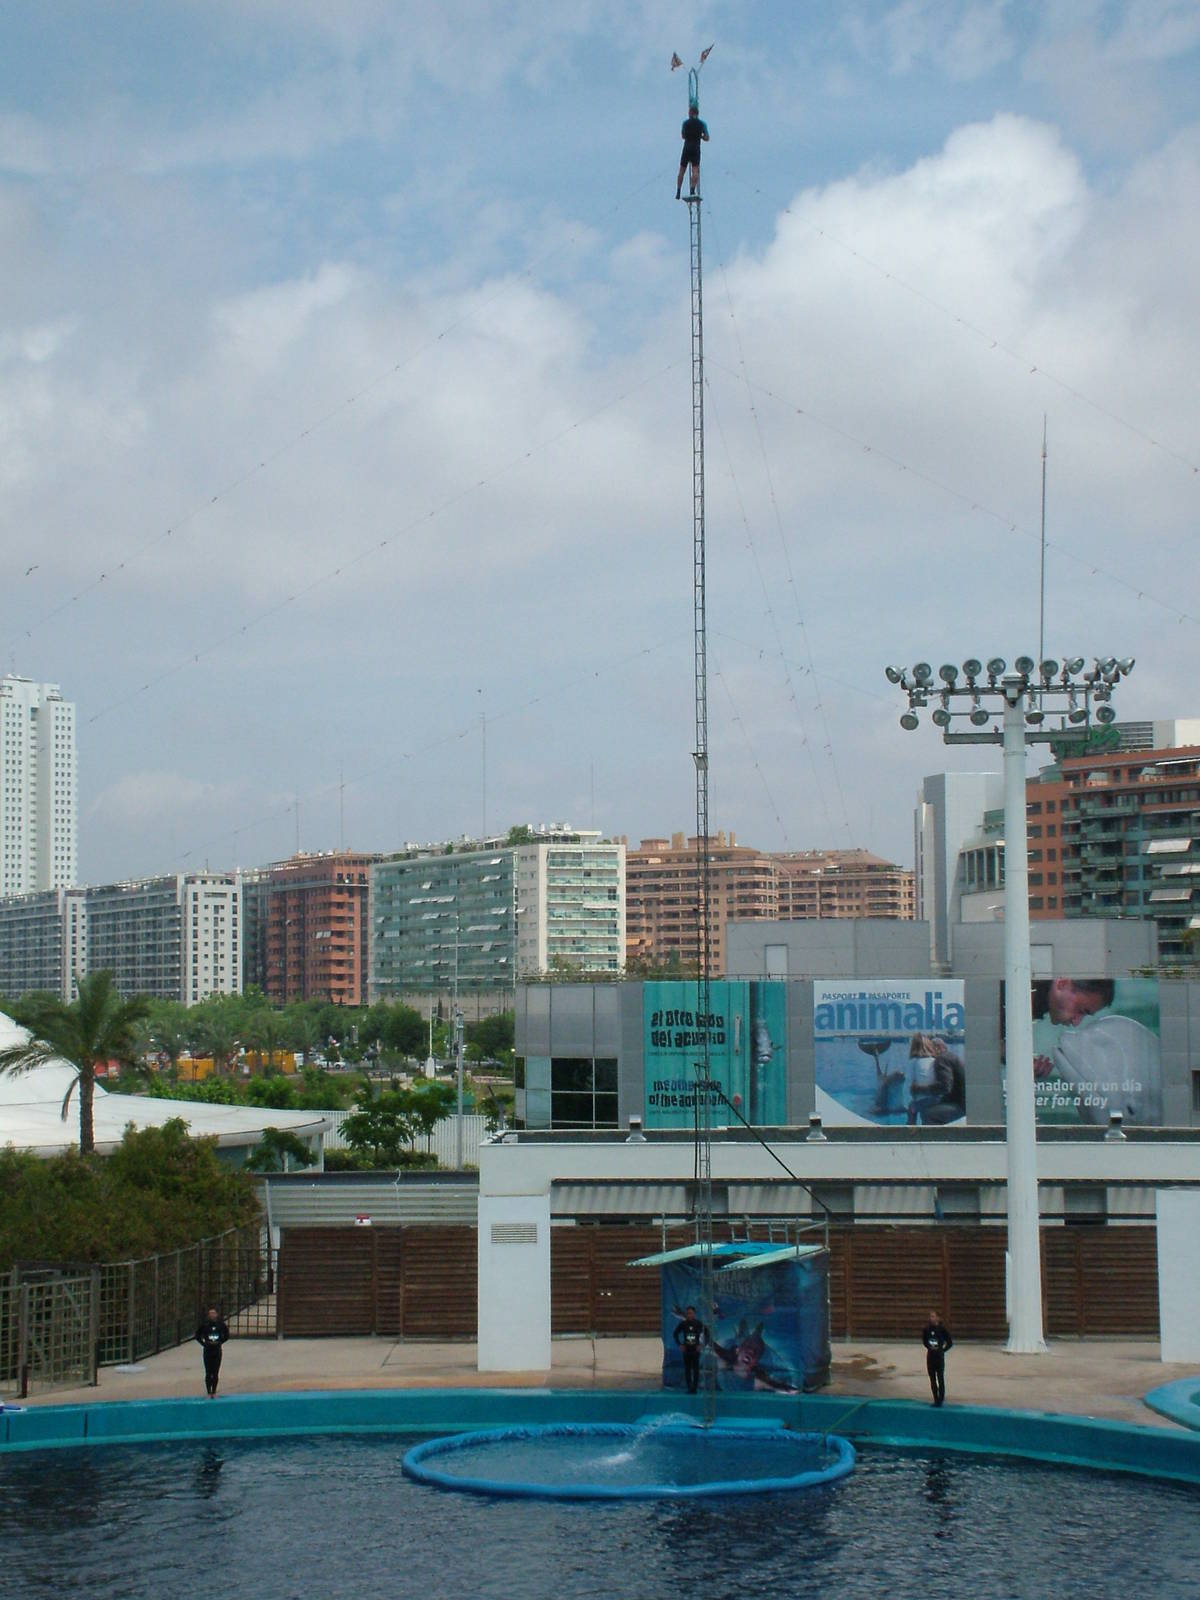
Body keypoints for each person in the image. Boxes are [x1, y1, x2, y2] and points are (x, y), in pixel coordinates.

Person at [195, 1306, 230, 1397]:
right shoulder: (205, 1325)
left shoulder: (221, 1325)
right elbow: (197, 1335)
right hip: (207, 1351)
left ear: (217, 1315)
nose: (212, 1315)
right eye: (210, 1314)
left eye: (213, 1313)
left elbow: (226, 1335)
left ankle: (214, 1391)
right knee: (208, 1372)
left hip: (217, 1350)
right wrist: (204, 1344)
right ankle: (208, 1391)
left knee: (215, 1372)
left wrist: (220, 1342)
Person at [673, 1304, 708, 1394]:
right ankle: (689, 1387)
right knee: (687, 1369)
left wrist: (702, 1345)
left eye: (691, 1313)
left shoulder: (698, 1324)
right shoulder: (683, 1324)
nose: (690, 1315)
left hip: (695, 1350)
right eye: (688, 1313)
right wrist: (680, 1345)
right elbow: (675, 1334)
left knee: (696, 1369)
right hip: (687, 1350)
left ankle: (695, 1388)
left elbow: (707, 1334)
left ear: (694, 1314)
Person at [676, 105, 709, 199]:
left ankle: (678, 190)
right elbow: (707, 138)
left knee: (682, 170)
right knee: (695, 170)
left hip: (686, 147)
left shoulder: (685, 123)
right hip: (696, 148)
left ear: (690, 113)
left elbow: (683, 136)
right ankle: (692, 189)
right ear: (697, 114)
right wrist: (701, 136)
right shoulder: (702, 124)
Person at [921, 1309, 953, 1406]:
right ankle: (935, 1398)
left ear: (938, 1318)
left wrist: (942, 1350)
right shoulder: (926, 1329)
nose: (932, 1318)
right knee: (932, 1378)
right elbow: (925, 1341)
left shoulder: (942, 1329)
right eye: (930, 1316)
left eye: (934, 1316)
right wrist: (930, 1348)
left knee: (940, 1377)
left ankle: (941, 1399)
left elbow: (950, 1343)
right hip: (930, 1357)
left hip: (939, 1357)